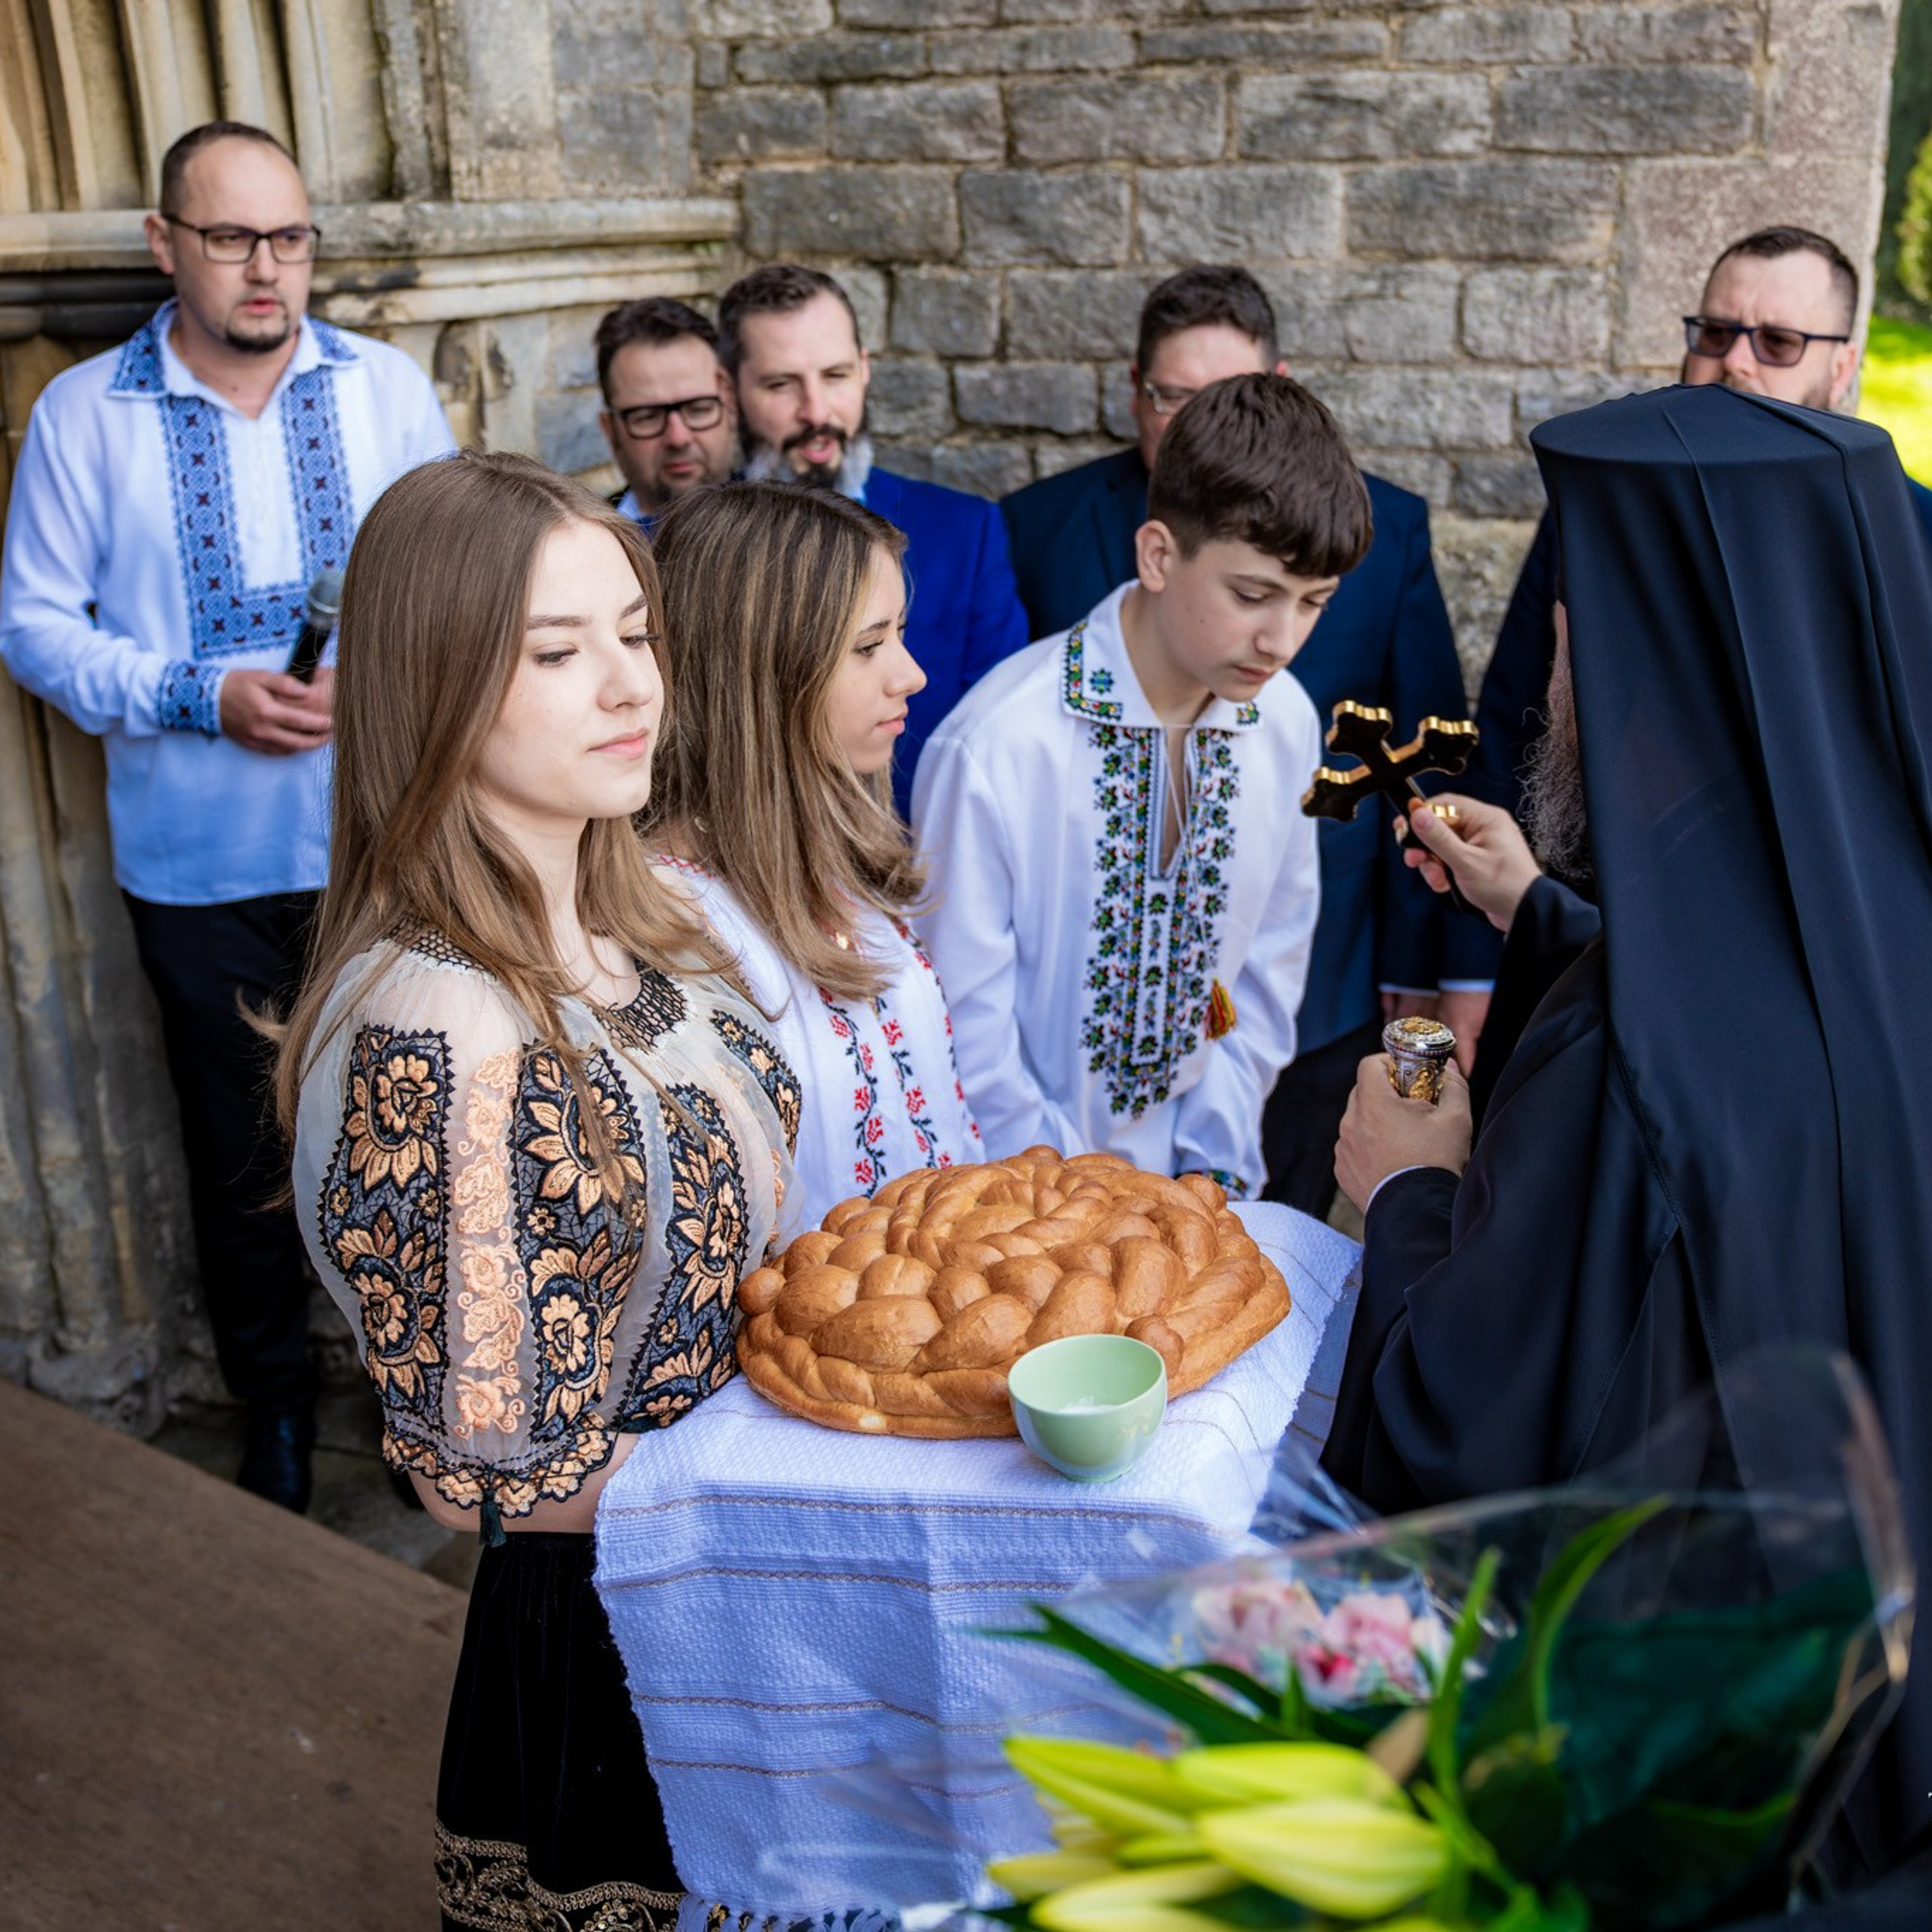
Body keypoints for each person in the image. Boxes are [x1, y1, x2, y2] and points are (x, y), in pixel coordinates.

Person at [1323, 383, 1932, 1897]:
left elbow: (1466, 1441)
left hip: (1693, 1778)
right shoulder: (1887, 910)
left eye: (1577, 624)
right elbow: (1774, 1039)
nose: (1544, 670)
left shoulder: (1631, 1066)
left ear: (1675, 652)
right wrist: (1539, 916)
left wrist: (1401, 1184)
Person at [278, 449, 799, 1924]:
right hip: (612, 1637)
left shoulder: (635, 918)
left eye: (634, 632)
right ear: (436, 681)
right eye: (558, 652)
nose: (627, 682)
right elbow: (480, 1471)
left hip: (728, 1577)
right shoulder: (434, 1031)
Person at [0, 119, 454, 1511]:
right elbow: (31, 629)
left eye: (292, 237)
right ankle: (269, 1409)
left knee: (410, 1132)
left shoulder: (384, 390)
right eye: (233, 238)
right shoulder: (89, 415)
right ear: (165, 245)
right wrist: (206, 694)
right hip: (198, 870)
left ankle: (423, 1396)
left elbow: (462, 584)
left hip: (389, 848)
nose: (269, 268)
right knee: (242, 1154)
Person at [1000, 266, 1470, 1216]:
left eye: (1307, 605)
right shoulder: (1035, 535)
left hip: (1303, 985)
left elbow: (1420, 759)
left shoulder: (1382, 535)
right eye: (1174, 398)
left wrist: (1419, 973)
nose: (1281, 635)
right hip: (1069, 1031)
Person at [913, 374, 1370, 1198]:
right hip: (1020, 1208)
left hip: (1202, 1194)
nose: (1282, 638)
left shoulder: (1288, 721)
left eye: (1315, 603)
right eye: (1252, 594)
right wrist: (1087, 1200)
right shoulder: (997, 748)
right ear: (1157, 553)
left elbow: (1266, 969)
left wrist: (1212, 1171)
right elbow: (963, 1032)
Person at [1469, 226, 1932, 844]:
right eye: (1716, 333)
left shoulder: (1913, 535)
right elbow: (1515, 723)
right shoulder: (1595, 513)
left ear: (1842, 365)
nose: (1736, 362)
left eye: (1778, 342)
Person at [644, 481, 980, 1223]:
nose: (912, 675)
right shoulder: (673, 927)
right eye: (868, 646)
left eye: (899, 633)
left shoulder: (834, 860)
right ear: (763, 670)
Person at [715, 263, 1030, 813]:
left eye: (835, 376)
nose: (816, 412)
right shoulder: (687, 546)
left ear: (864, 370)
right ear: (729, 388)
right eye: (781, 384)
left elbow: (1004, 732)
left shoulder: (965, 535)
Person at [595, 296, 737, 530]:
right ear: (610, 430)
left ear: (730, 405)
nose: (678, 438)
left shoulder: (788, 531)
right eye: (648, 417)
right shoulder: (583, 548)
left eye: (698, 409)